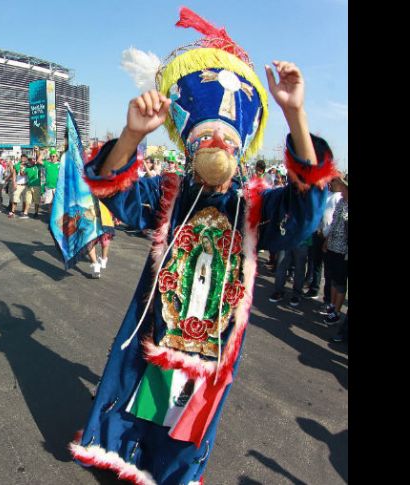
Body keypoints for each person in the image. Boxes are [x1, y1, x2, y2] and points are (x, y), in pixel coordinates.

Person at [70, 8, 338, 484]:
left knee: (183, 443)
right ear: (190, 148)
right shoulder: (168, 194)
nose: (218, 145)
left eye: (227, 140)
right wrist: (132, 134)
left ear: (242, 151)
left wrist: (295, 113)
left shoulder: (256, 208)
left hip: (210, 356)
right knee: (139, 422)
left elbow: (304, 217)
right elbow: (111, 190)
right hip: (156, 337)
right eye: (207, 137)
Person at [322, 174, 348, 325]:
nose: (341, 189)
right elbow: (333, 224)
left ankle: (337, 312)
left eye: (343, 186)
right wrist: (326, 240)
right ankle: (332, 305)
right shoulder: (340, 202)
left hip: (342, 251)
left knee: (340, 281)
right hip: (332, 245)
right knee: (332, 278)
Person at [22, 153, 44, 218]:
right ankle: (25, 213)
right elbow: (22, 174)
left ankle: (36, 213)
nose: (30, 161)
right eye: (29, 160)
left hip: (37, 186)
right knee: (27, 200)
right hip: (29, 186)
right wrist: (22, 168)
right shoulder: (27, 168)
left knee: (36, 201)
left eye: (31, 159)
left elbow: (39, 159)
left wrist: (38, 151)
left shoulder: (37, 166)